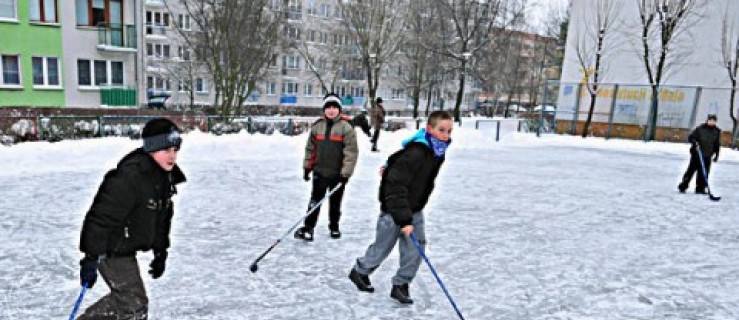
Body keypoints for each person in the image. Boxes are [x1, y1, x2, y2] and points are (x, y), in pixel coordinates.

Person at [77, 118, 187, 319]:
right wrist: (91, 258)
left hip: (125, 245)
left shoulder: (164, 177)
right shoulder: (129, 178)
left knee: (129, 300)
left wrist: (161, 251)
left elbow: (162, 217)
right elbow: (101, 217)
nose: (172, 156)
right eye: (166, 150)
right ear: (152, 149)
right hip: (110, 247)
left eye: (175, 150)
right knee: (134, 303)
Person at [348, 110, 453, 305]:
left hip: (414, 207)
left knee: (416, 247)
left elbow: (398, 160)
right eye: (442, 130)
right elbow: (394, 184)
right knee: (383, 247)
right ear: (430, 129)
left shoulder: (435, 151)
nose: (446, 136)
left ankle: (401, 285)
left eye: (449, 131)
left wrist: (389, 164)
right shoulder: (417, 152)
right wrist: (404, 219)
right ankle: (360, 271)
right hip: (393, 208)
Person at [296, 93, 359, 241]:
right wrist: (307, 167)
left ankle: (334, 227)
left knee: (335, 203)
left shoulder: (346, 128)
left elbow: (351, 152)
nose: (331, 111)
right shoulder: (317, 126)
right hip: (319, 172)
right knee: (314, 201)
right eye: (328, 107)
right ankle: (308, 227)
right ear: (324, 109)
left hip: (337, 174)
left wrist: (346, 174)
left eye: (334, 107)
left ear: (339, 109)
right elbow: (310, 149)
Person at [678, 114, 721, 194]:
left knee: (703, 173)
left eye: (713, 121)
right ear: (707, 121)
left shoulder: (717, 131)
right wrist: (695, 142)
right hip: (697, 154)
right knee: (690, 171)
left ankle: (700, 188)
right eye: (710, 121)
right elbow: (691, 137)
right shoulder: (700, 129)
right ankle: (683, 186)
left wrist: (716, 154)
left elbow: (717, 144)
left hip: (707, 155)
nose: (712, 122)